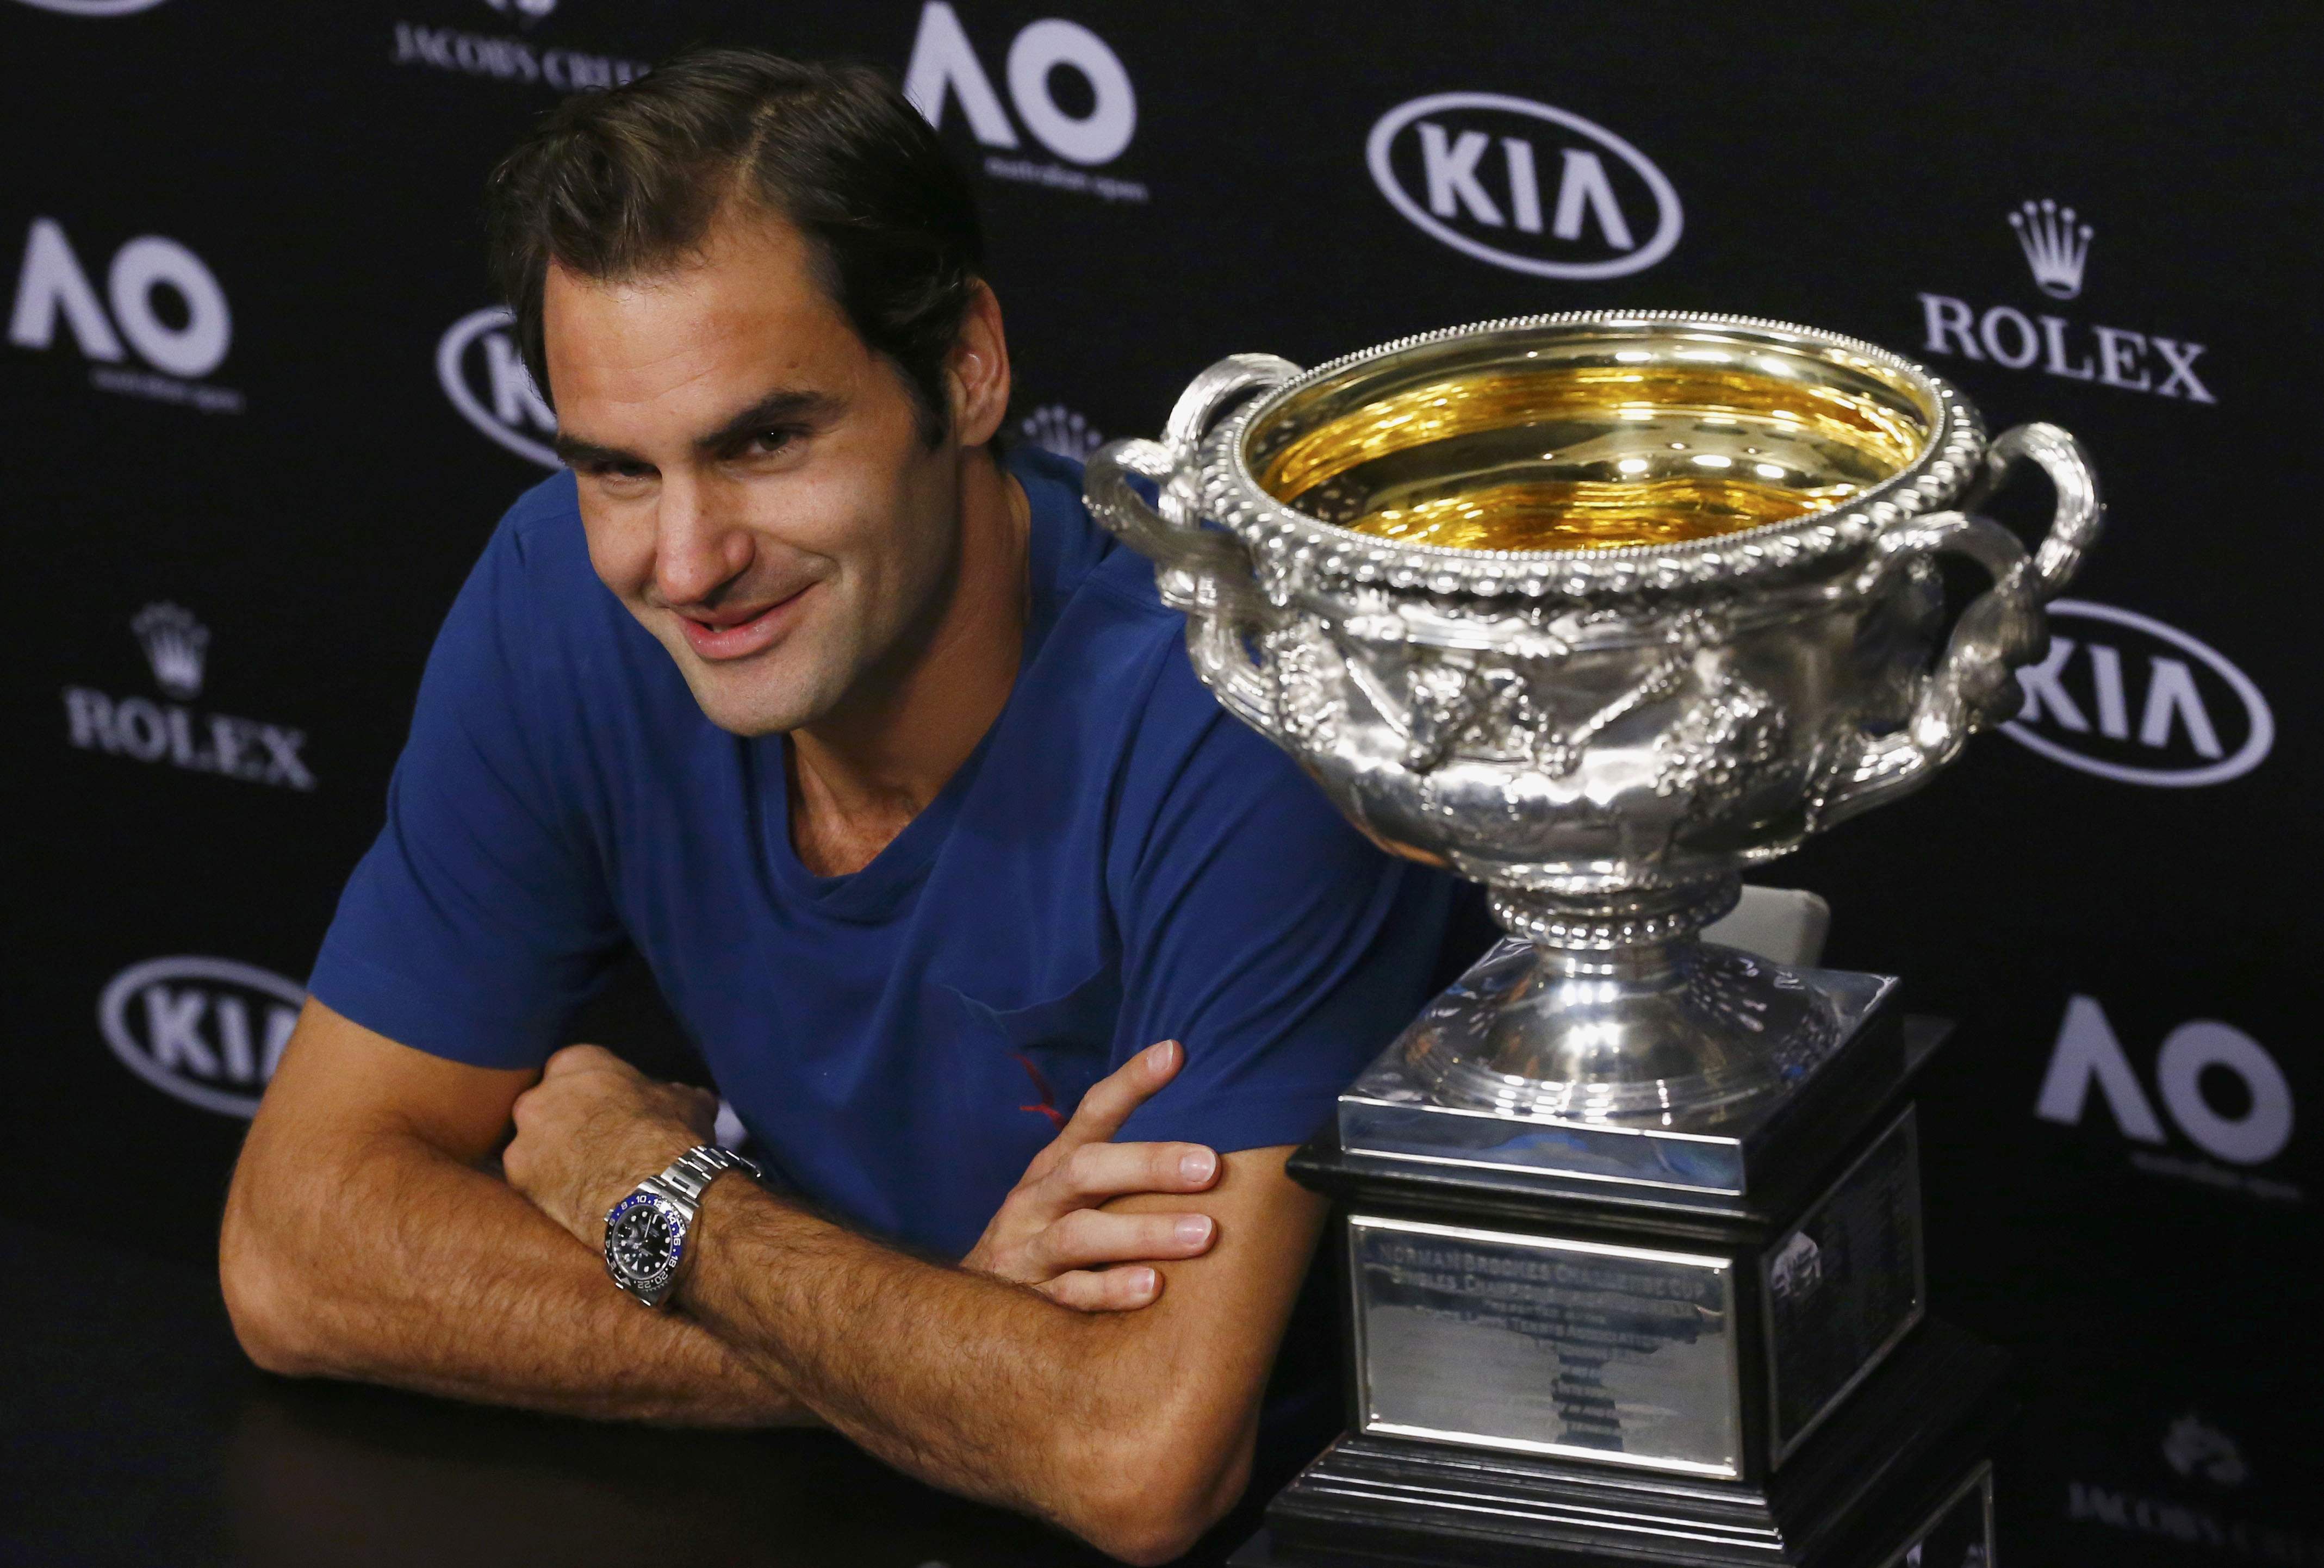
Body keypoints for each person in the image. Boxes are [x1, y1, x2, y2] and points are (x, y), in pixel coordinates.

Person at [219, 47, 1455, 1566]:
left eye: (763, 442)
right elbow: (295, 1254)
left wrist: (652, 1193)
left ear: (966, 370)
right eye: (618, 468)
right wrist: (942, 1343)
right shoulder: (561, 597)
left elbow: (1139, 1454)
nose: (683, 563)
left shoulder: (1237, 715)